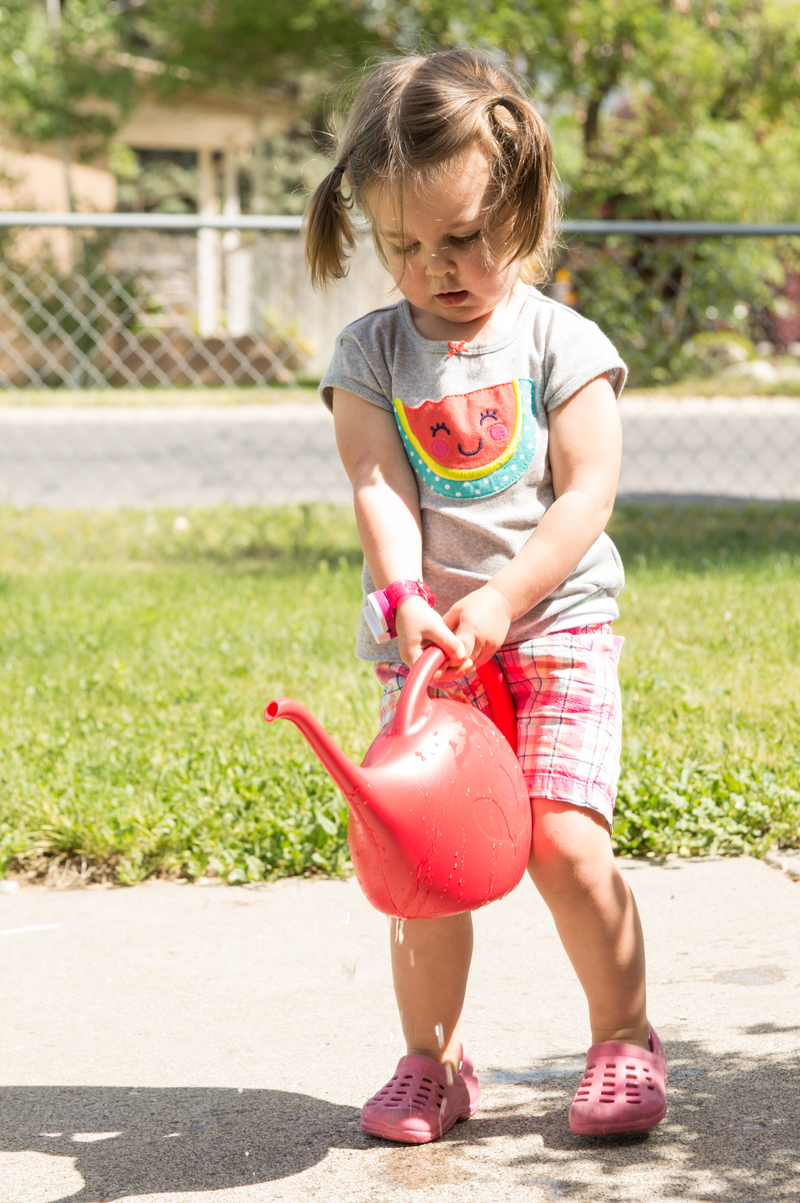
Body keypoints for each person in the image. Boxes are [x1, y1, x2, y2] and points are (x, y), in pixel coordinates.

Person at [305, 47, 667, 1145]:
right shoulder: (370, 354)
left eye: (461, 237)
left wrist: (504, 596)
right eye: (403, 246)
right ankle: (434, 1061)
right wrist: (407, 594)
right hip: (430, 652)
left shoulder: (564, 343)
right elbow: (375, 479)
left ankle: (622, 1036)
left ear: (520, 202)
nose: (434, 268)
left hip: (550, 627)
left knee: (562, 841)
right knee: (424, 869)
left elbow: (586, 492)